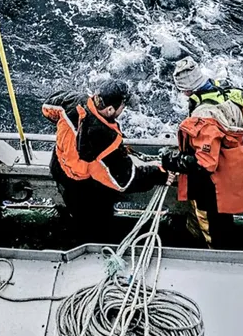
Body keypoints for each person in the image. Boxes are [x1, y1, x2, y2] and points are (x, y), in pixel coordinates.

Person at [42, 79, 169, 242]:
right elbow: (125, 181)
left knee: (76, 212)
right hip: (83, 187)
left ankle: (78, 227)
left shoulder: (72, 101)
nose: (124, 109)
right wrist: (159, 173)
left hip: (59, 167)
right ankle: (95, 241)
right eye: (123, 106)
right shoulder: (106, 140)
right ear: (110, 109)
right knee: (97, 222)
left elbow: (47, 107)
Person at [160, 57, 243, 249]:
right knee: (220, 222)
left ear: (186, 89)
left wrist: (173, 160)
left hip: (214, 188)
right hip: (236, 171)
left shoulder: (204, 116)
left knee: (213, 229)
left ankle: (214, 256)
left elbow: (204, 163)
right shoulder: (223, 93)